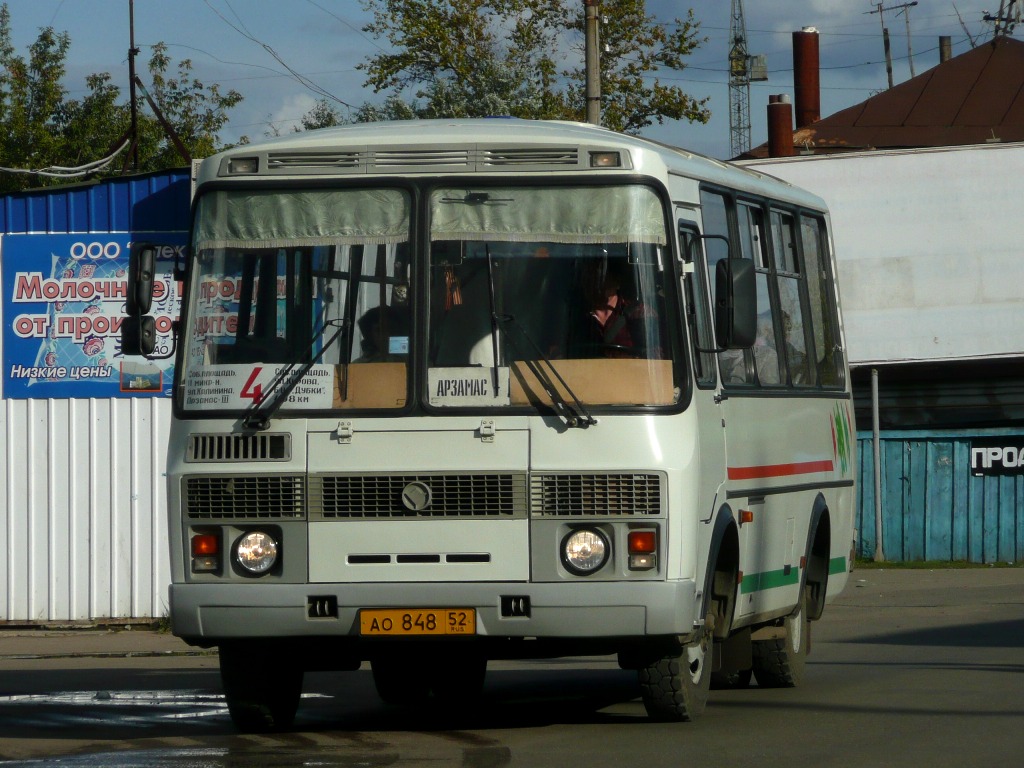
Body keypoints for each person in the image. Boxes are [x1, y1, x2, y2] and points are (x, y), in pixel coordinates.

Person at [580, 258, 655, 358]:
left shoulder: (641, 313)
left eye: (602, 275)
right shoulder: (575, 318)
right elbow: (557, 355)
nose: (595, 281)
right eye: (590, 275)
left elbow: (656, 360)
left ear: (617, 281)